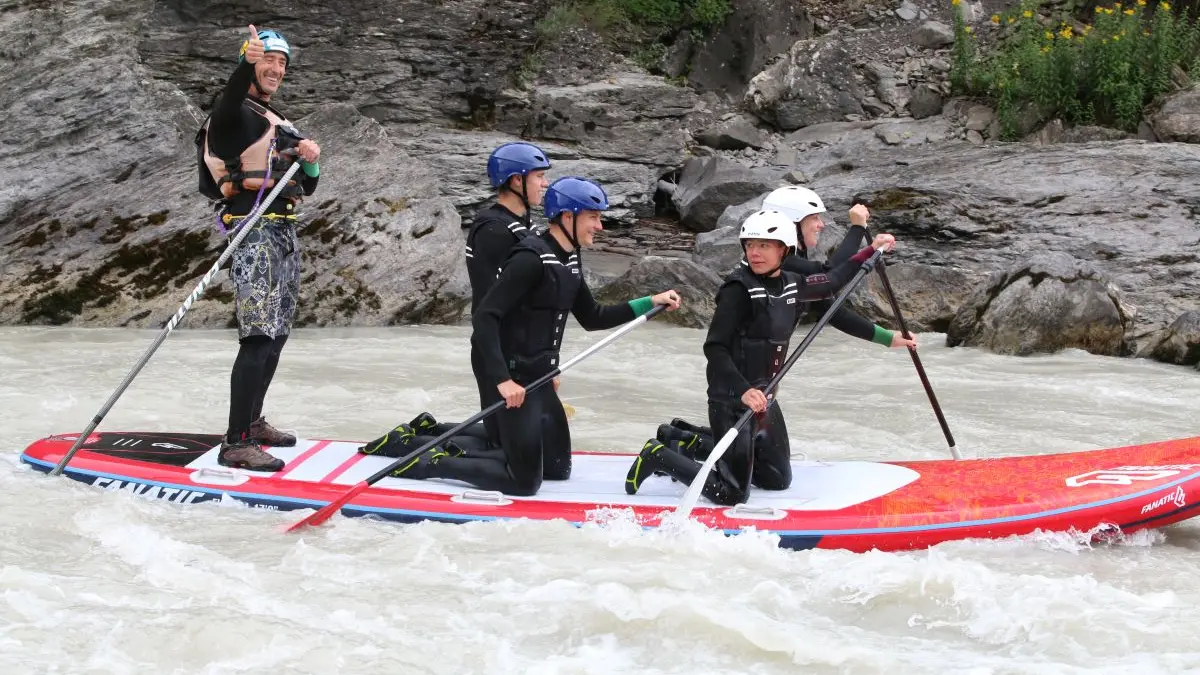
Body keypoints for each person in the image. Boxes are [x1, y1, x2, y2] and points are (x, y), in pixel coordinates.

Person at [384, 177, 681, 496]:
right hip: (516, 383)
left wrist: (650, 302)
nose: (600, 226)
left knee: (557, 469)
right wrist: (502, 380)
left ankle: (470, 452)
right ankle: (431, 463)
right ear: (567, 216)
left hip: (542, 379)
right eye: (593, 217)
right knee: (524, 482)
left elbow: (593, 316)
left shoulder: (569, 257)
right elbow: (486, 316)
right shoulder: (530, 258)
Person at [624, 207, 898, 505]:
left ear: (784, 250)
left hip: (766, 397)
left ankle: (688, 441)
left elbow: (832, 281)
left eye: (764, 245)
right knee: (731, 493)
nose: (754, 253)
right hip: (732, 399)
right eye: (750, 245)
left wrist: (871, 250)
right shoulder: (737, 289)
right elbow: (714, 347)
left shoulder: (792, 283)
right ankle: (657, 455)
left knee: (777, 480)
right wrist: (743, 391)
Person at [656, 186, 918, 452]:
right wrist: (858, 230)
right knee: (739, 462)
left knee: (758, 457)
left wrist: (886, 337)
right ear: (792, 223)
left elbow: (831, 308)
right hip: (737, 383)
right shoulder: (773, 267)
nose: (821, 224)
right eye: (814, 218)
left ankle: (682, 437)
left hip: (763, 382)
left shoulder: (788, 270)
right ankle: (675, 448)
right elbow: (830, 272)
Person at [195, 26, 322, 471]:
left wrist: (309, 159)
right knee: (258, 336)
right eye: (268, 59)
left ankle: (252, 423)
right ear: (250, 62)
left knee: (277, 335)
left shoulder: (276, 121)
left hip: (284, 230)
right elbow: (227, 102)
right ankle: (235, 443)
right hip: (253, 230)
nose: (276, 69)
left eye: (282, 62)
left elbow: (308, 184)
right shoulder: (232, 117)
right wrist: (244, 63)